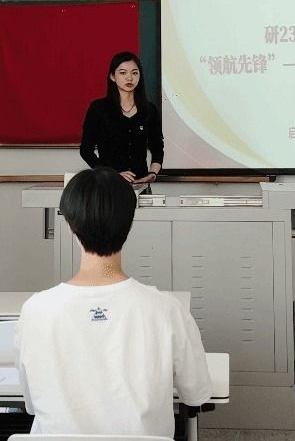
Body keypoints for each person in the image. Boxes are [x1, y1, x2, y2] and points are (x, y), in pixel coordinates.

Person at [16, 167, 211, 436]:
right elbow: (196, 392)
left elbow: (31, 403)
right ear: (129, 224)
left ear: (70, 226)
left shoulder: (35, 311)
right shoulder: (166, 310)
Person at [79, 51, 165, 185]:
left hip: (140, 184)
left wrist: (152, 173)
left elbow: (158, 147)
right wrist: (109, 174)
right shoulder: (98, 109)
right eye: (123, 73)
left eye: (134, 73)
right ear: (113, 76)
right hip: (109, 184)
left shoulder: (149, 109)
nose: (129, 78)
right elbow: (86, 151)